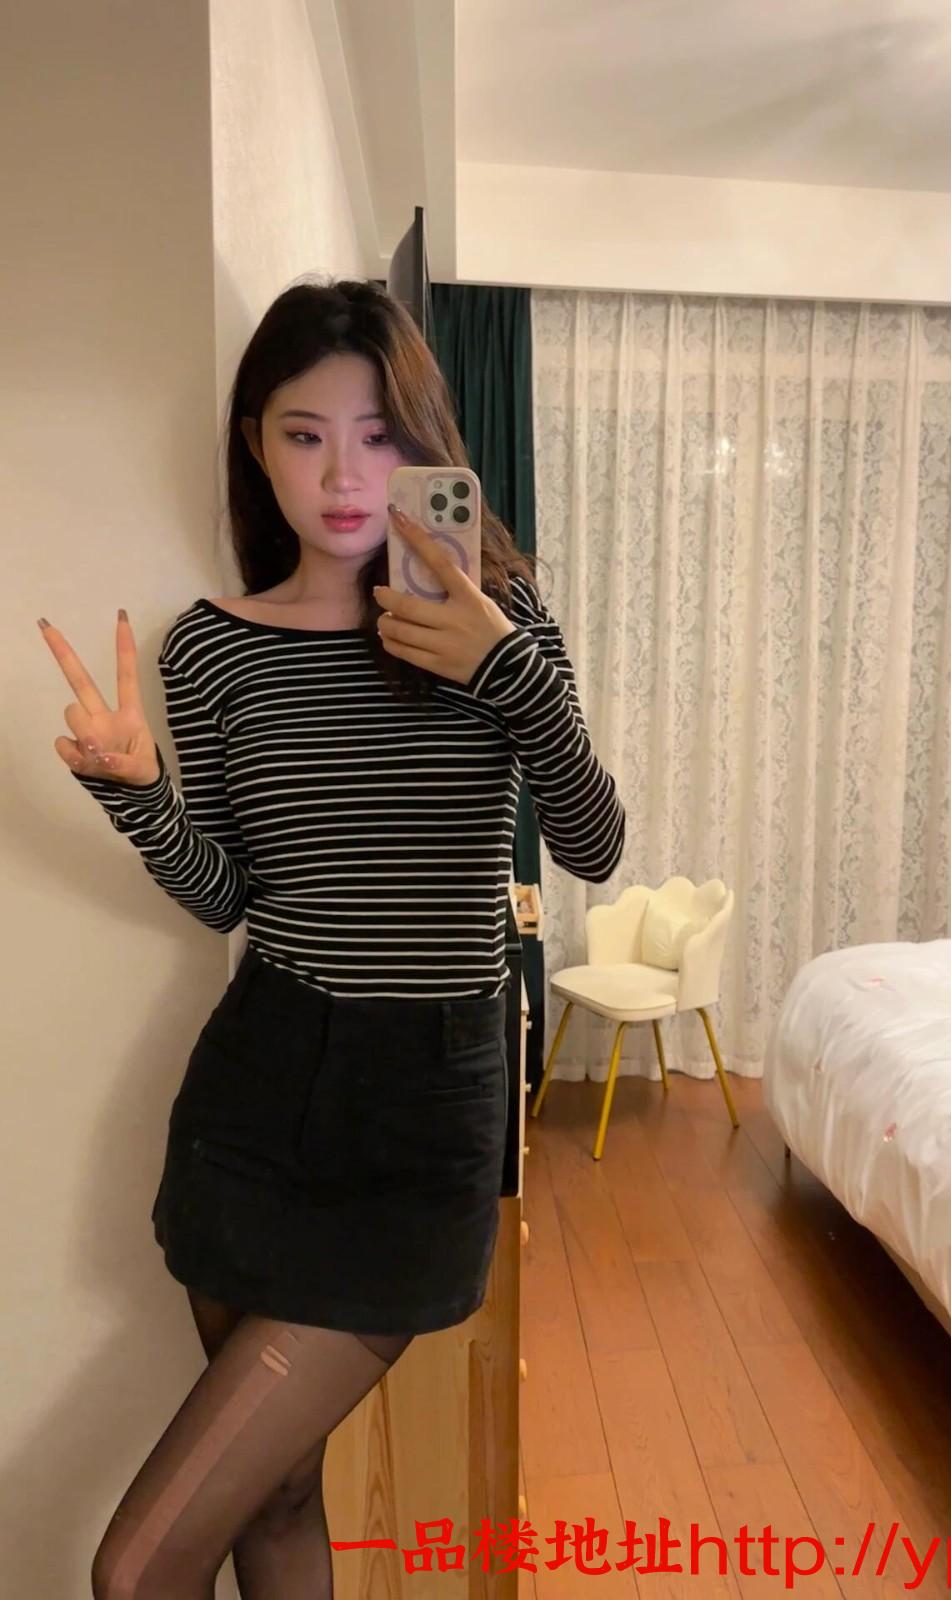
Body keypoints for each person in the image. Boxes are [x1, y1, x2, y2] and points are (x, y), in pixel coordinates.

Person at [39, 277, 624, 1600]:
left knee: (136, 1566)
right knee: (280, 1491)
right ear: (256, 444)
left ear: (424, 448)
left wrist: (502, 666)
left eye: (377, 436)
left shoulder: (499, 623)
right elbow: (230, 895)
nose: (344, 474)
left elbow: (594, 842)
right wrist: (136, 792)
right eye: (305, 435)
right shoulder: (211, 652)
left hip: (423, 1110)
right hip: (258, 1099)